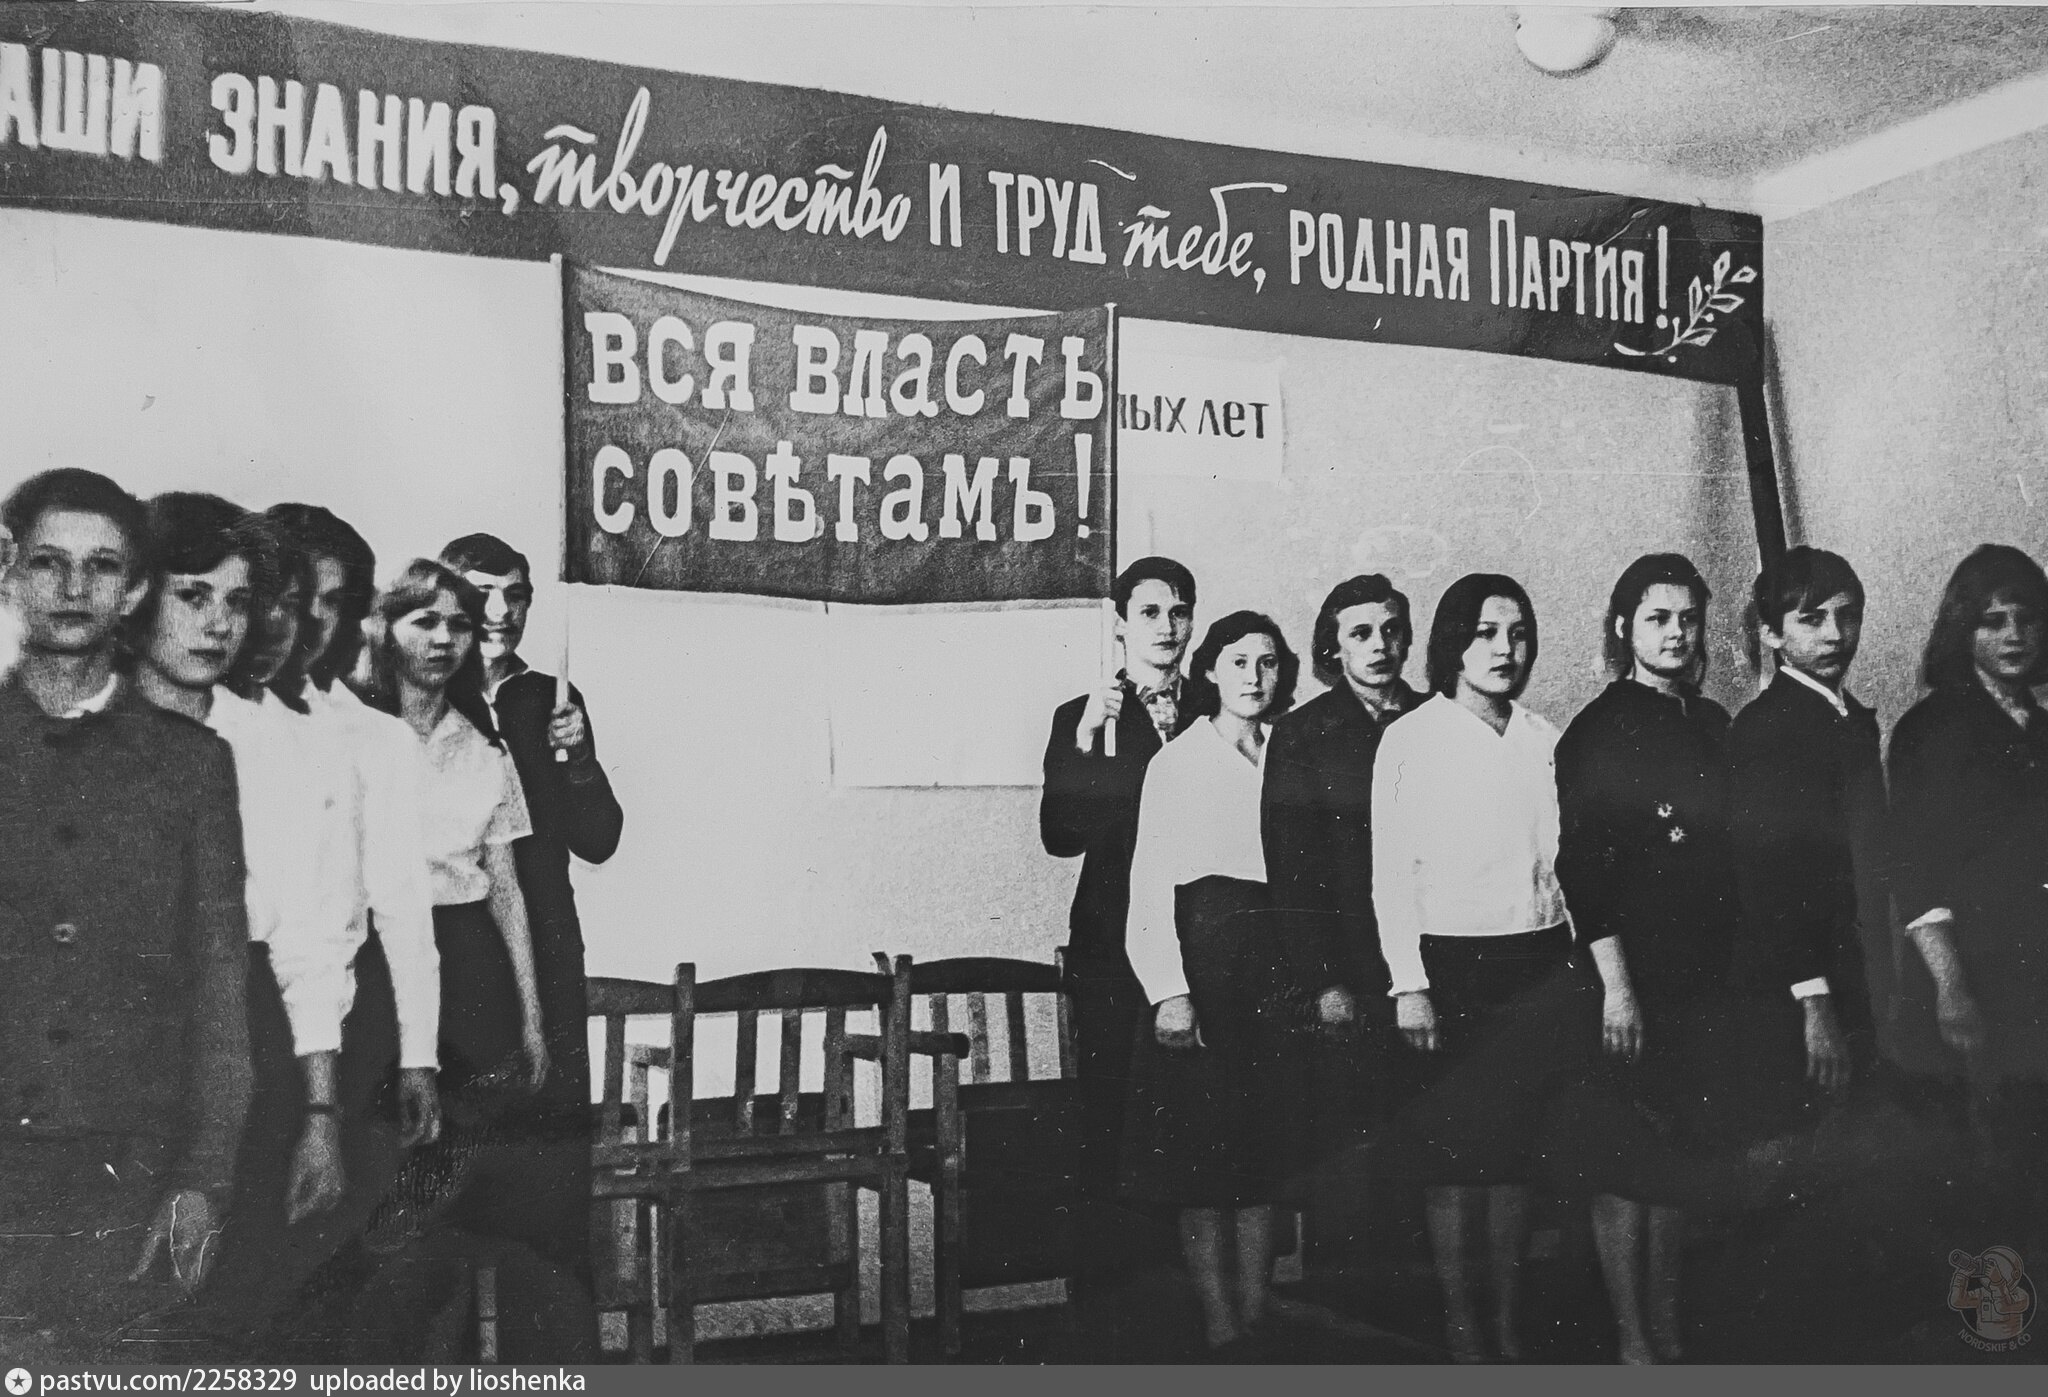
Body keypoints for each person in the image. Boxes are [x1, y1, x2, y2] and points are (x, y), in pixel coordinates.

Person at [0, 469, 252, 1365]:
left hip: (128, 1178)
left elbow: (220, 986)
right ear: (8, 573)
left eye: (102, 565)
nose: (74, 587)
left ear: (135, 590)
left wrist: (204, 1179)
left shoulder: (190, 765)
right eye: (49, 562)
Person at [1121, 610, 1346, 1352]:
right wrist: (1170, 991)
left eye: (1268, 661)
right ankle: (1221, 1322)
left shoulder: (1294, 754)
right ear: (1211, 670)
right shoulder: (1178, 762)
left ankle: (1255, 1310)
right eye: (1238, 661)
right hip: (1207, 964)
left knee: (1263, 1154)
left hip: (1278, 968)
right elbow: (1149, 889)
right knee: (1203, 1159)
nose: (1254, 675)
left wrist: (1320, 976)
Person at [1370, 573, 1568, 1364]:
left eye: (1517, 634)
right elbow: (1390, 873)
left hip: (1535, 960)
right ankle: (1461, 1326)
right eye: (1486, 632)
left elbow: (1561, 865)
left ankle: (1509, 1324)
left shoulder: (1543, 737)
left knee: (1515, 1158)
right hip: (1450, 966)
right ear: (1454, 641)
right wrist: (1408, 983)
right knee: (1454, 1159)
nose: (1503, 649)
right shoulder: (1411, 738)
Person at [1553, 553, 1738, 1364]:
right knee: (1626, 1158)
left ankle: (1665, 1330)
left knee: (1679, 1158)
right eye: (1658, 618)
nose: (1675, 633)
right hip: (1630, 974)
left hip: (1706, 976)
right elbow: (1584, 871)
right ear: (1624, 626)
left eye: (1688, 619)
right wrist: (1617, 988)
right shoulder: (1598, 731)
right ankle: (1633, 1341)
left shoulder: (1713, 724)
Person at [439, 532, 623, 1287]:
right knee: (445, 1179)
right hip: (449, 962)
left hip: (546, 955)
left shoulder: (552, 697)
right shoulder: (418, 694)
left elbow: (600, 839)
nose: (500, 611)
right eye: (482, 593)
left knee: (549, 1182)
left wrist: (579, 759)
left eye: (515, 595)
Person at [351, 561, 548, 1252]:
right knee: (371, 1161)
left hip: (467, 962)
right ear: (386, 628)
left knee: (447, 1172)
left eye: (459, 625)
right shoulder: (349, 731)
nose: (443, 639)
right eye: (425, 621)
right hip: (372, 956)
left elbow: (508, 891)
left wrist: (531, 1020)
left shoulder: (487, 750)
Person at [266, 506, 442, 1154]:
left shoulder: (379, 738)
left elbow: (404, 909)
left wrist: (418, 1055)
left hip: (344, 1023)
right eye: (299, 598)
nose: (314, 620)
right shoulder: (223, 720)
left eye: (334, 602)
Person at [1039, 556, 1197, 1275]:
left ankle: (1192, 1291)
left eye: (1178, 611)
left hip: (1198, 939)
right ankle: (1112, 1293)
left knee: (1191, 1116)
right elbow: (1060, 834)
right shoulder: (1084, 715)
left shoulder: (1218, 705)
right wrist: (1086, 741)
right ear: (1122, 624)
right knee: (1113, 1113)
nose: (1166, 626)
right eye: (1150, 612)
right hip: (1112, 944)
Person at [1888, 544, 2048, 1240]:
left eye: (2027, 618)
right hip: (1971, 984)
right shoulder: (1929, 731)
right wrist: (1953, 987)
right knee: (1992, 1175)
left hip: (2039, 982)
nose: (2014, 635)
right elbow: (1917, 870)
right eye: (1992, 620)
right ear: (1963, 629)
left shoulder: (2041, 727)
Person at [1726, 547, 1882, 1132]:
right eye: (1812, 619)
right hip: (1802, 983)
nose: (1836, 635)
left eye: (1848, 615)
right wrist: (1815, 1002)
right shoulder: (1765, 730)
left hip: (1858, 965)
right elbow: (1768, 882)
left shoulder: (1850, 718)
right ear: (1771, 634)